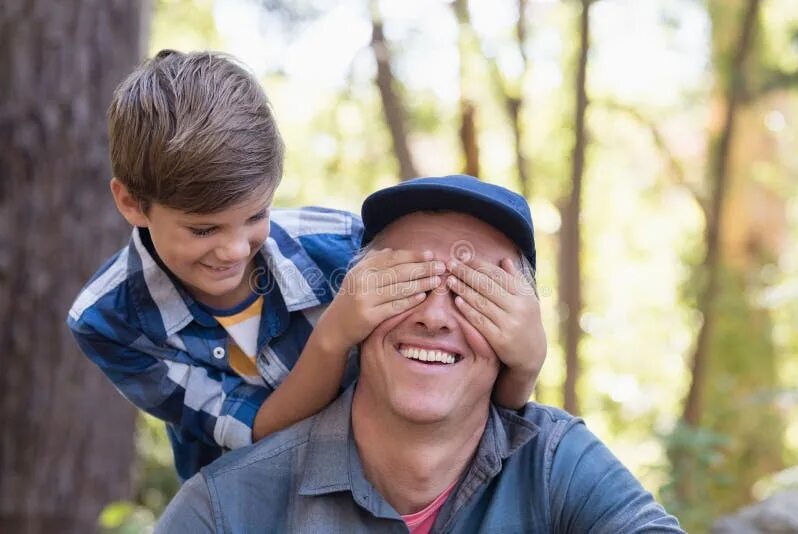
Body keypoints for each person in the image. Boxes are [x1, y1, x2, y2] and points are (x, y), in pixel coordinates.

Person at [66, 51, 540, 481]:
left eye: (255, 216)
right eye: (204, 230)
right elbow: (252, 432)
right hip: (243, 503)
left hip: (381, 487)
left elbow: (463, 390)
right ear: (131, 202)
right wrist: (334, 335)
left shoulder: (344, 244)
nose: (234, 249)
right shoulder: (108, 319)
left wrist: (526, 362)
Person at [156, 175, 684, 533]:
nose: (434, 315)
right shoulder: (227, 509)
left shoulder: (555, 464)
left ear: (520, 331)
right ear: (354, 305)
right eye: (406, 283)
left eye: (473, 292)